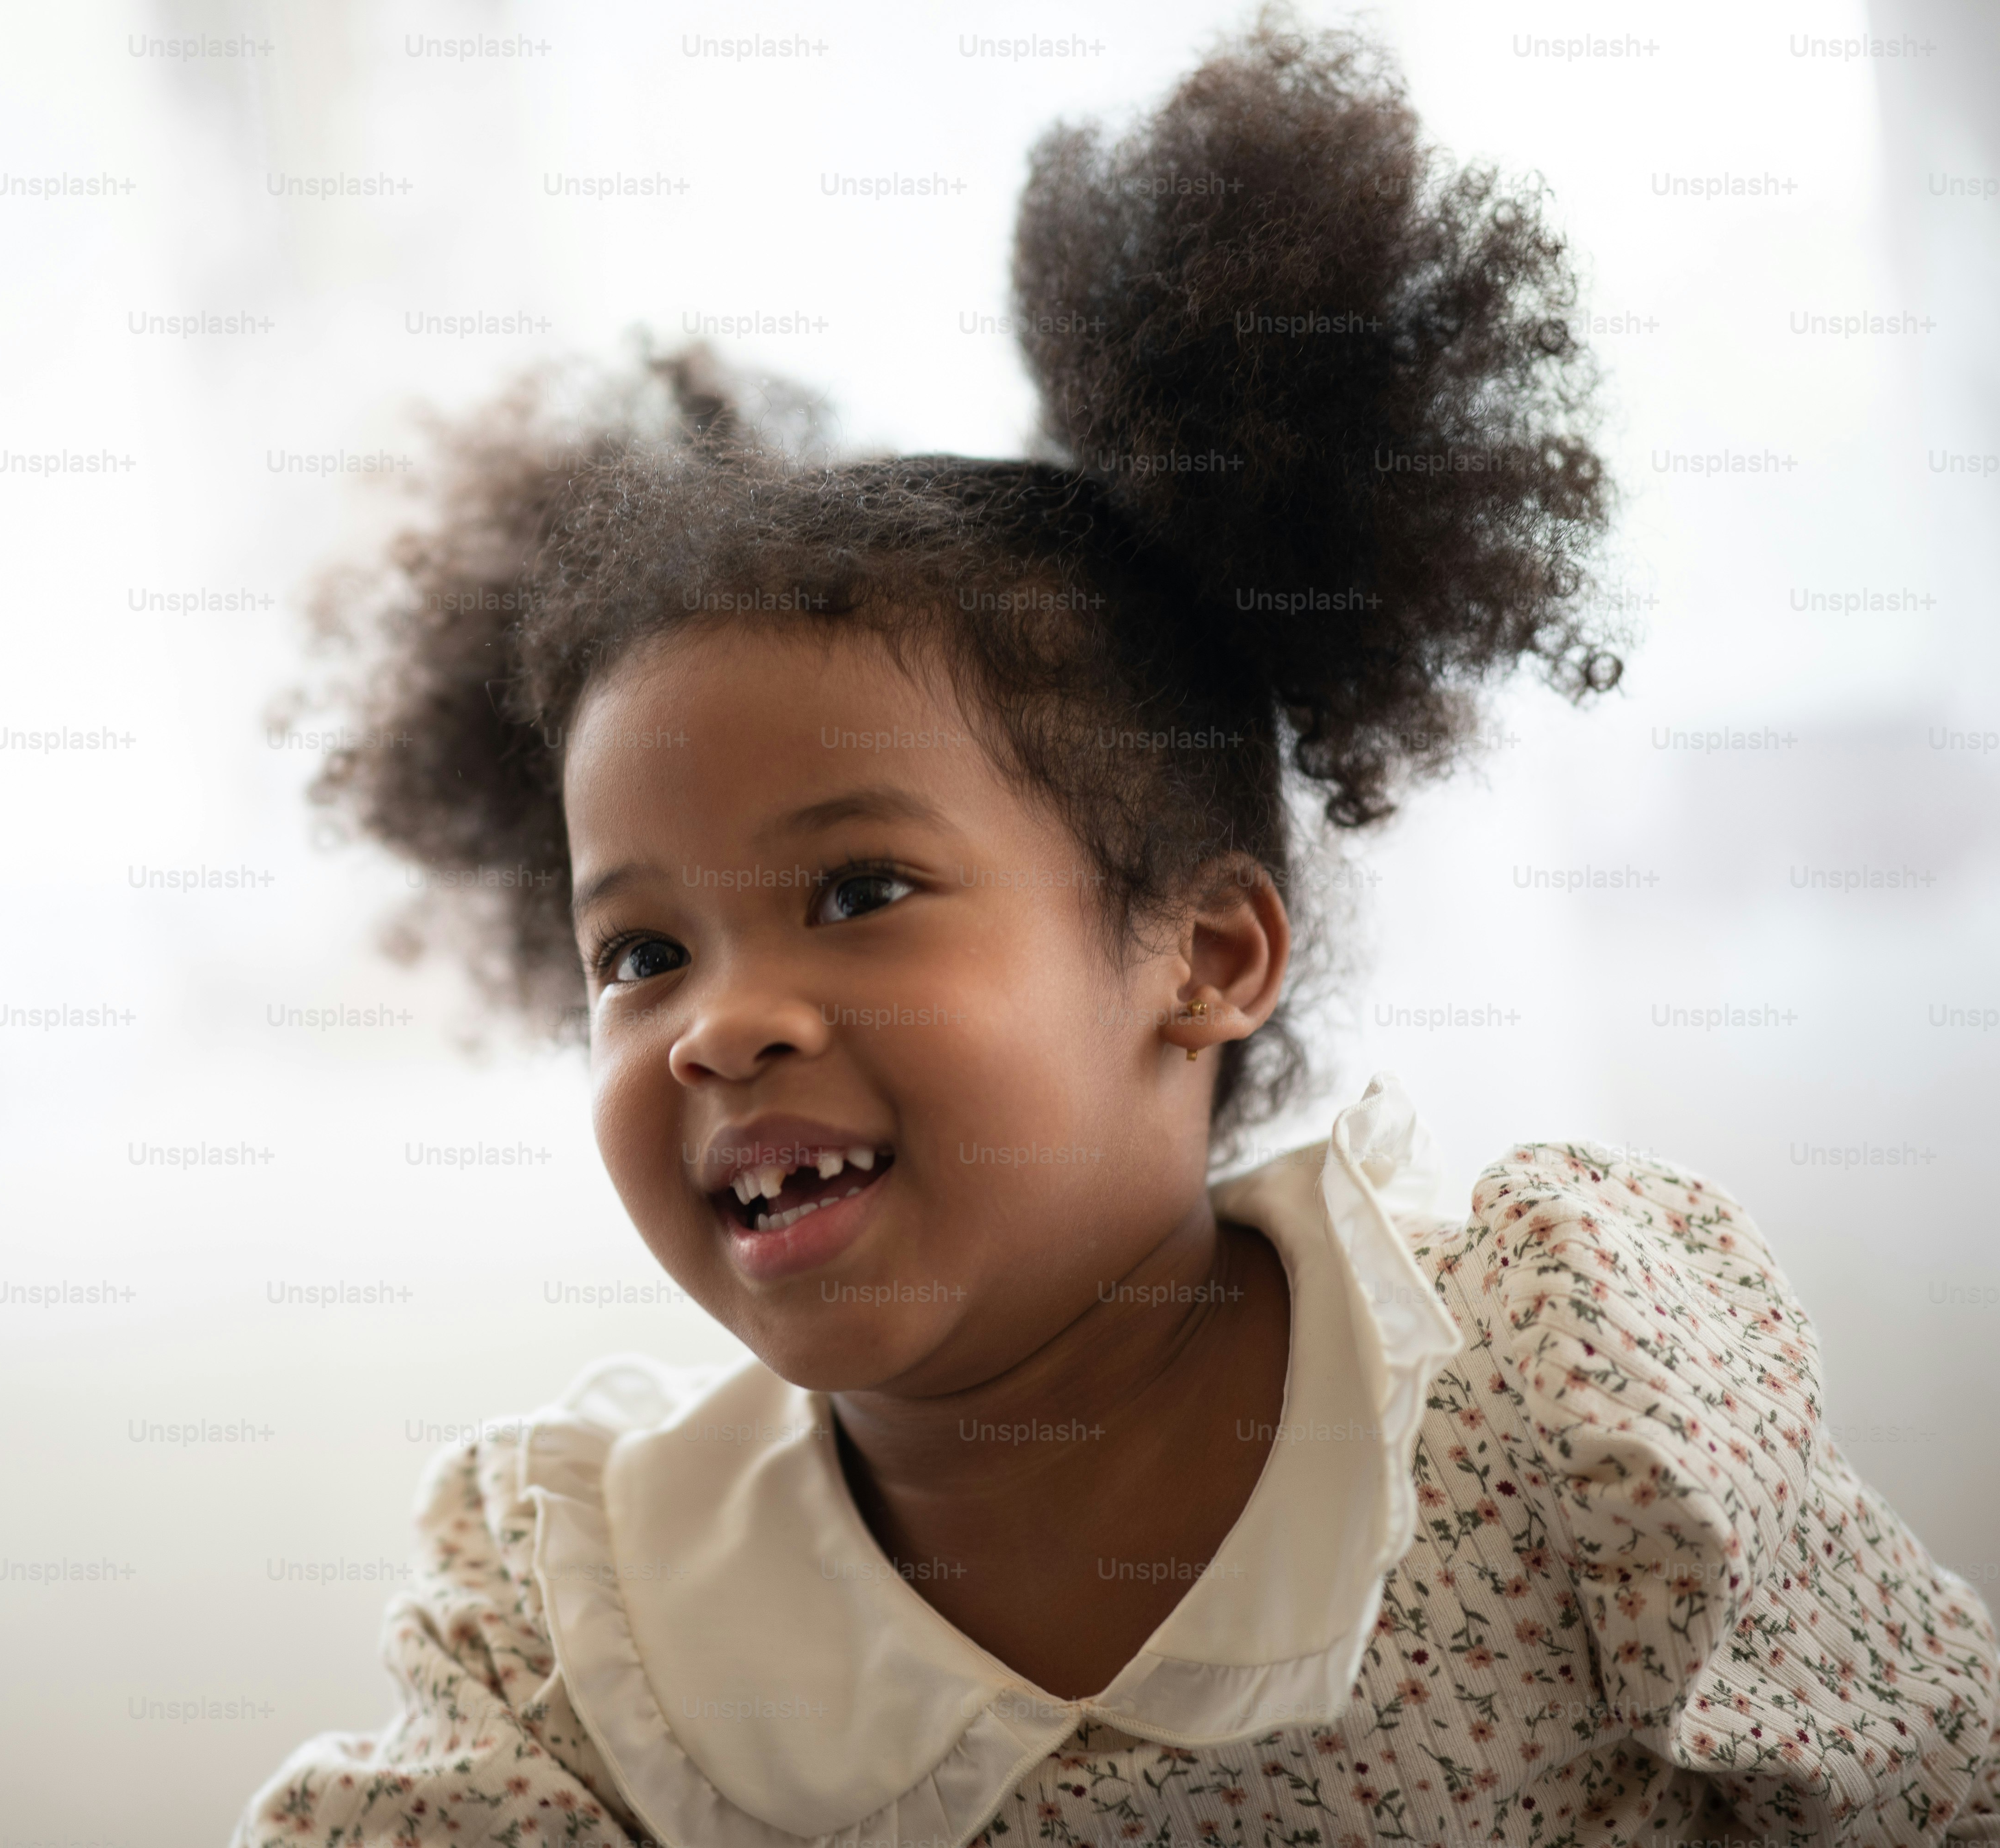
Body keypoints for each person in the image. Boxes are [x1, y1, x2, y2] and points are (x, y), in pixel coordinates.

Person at [235, 12, 2000, 1844]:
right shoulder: (591, 1620)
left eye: (859, 891)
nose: (716, 1023)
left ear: (1206, 956)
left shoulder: (1546, 1405)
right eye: (640, 954)